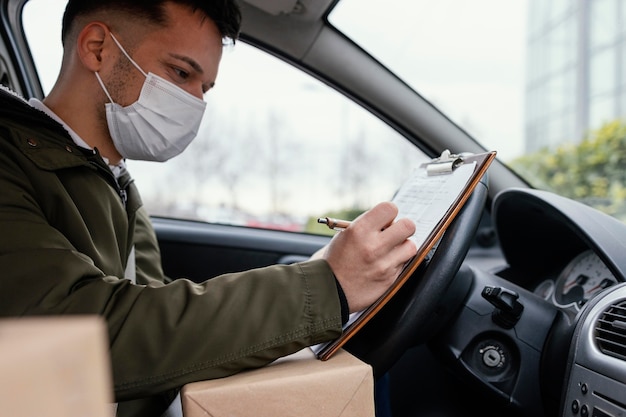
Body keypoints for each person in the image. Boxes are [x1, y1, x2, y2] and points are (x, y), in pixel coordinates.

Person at [0, 0, 417, 415]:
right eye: (181, 73)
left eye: (205, 88)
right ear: (97, 48)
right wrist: (325, 288)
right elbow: (83, 338)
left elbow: (150, 312)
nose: (195, 103)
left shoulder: (115, 180)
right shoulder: (10, 165)